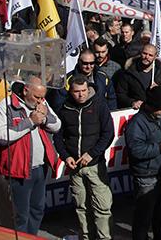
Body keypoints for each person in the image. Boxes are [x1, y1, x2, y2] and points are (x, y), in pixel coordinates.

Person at [0, 77, 63, 235]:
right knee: (21, 215)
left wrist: (44, 118)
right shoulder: (6, 105)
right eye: (37, 97)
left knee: (37, 209)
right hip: (19, 168)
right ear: (25, 91)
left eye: (42, 97)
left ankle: (32, 237)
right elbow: (3, 136)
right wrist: (30, 122)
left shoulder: (41, 103)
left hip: (40, 167)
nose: (40, 101)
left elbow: (57, 125)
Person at [54, 76, 115, 240]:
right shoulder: (64, 108)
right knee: (81, 207)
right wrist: (65, 156)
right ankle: (86, 237)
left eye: (83, 91)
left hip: (95, 166)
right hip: (75, 167)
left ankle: (104, 238)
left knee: (102, 207)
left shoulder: (99, 105)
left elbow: (108, 134)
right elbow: (58, 137)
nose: (81, 95)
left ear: (88, 89)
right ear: (70, 91)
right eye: (76, 92)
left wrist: (92, 153)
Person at [124, 87, 161, 240]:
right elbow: (135, 150)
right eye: (160, 109)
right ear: (150, 106)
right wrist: (160, 147)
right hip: (146, 178)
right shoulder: (136, 124)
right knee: (144, 218)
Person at [115, 44, 161, 109]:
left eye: (150, 55)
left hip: (156, 109)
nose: (147, 57)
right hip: (137, 111)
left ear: (155, 57)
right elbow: (120, 93)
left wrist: (159, 91)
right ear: (140, 53)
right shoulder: (129, 72)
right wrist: (132, 102)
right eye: (145, 53)